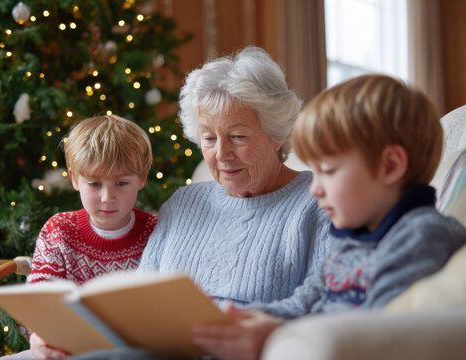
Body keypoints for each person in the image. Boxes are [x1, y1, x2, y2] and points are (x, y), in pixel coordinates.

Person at [40, 46, 330, 360]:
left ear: (277, 135)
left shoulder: (318, 202)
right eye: (209, 138)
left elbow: (331, 297)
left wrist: (263, 326)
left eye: (238, 137)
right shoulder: (184, 203)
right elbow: (140, 299)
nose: (221, 154)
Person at [191, 74, 466, 360]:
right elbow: (301, 304)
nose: (315, 188)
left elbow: (376, 333)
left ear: (390, 166)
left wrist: (275, 335)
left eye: (329, 171)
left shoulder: (422, 238)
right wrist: (245, 321)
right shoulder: (353, 241)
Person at [4, 115, 158, 359]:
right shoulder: (59, 229)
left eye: (121, 183)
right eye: (95, 184)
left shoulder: (156, 231)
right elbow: (39, 300)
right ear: (75, 178)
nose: (108, 197)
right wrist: (38, 338)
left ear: (142, 178)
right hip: (67, 350)